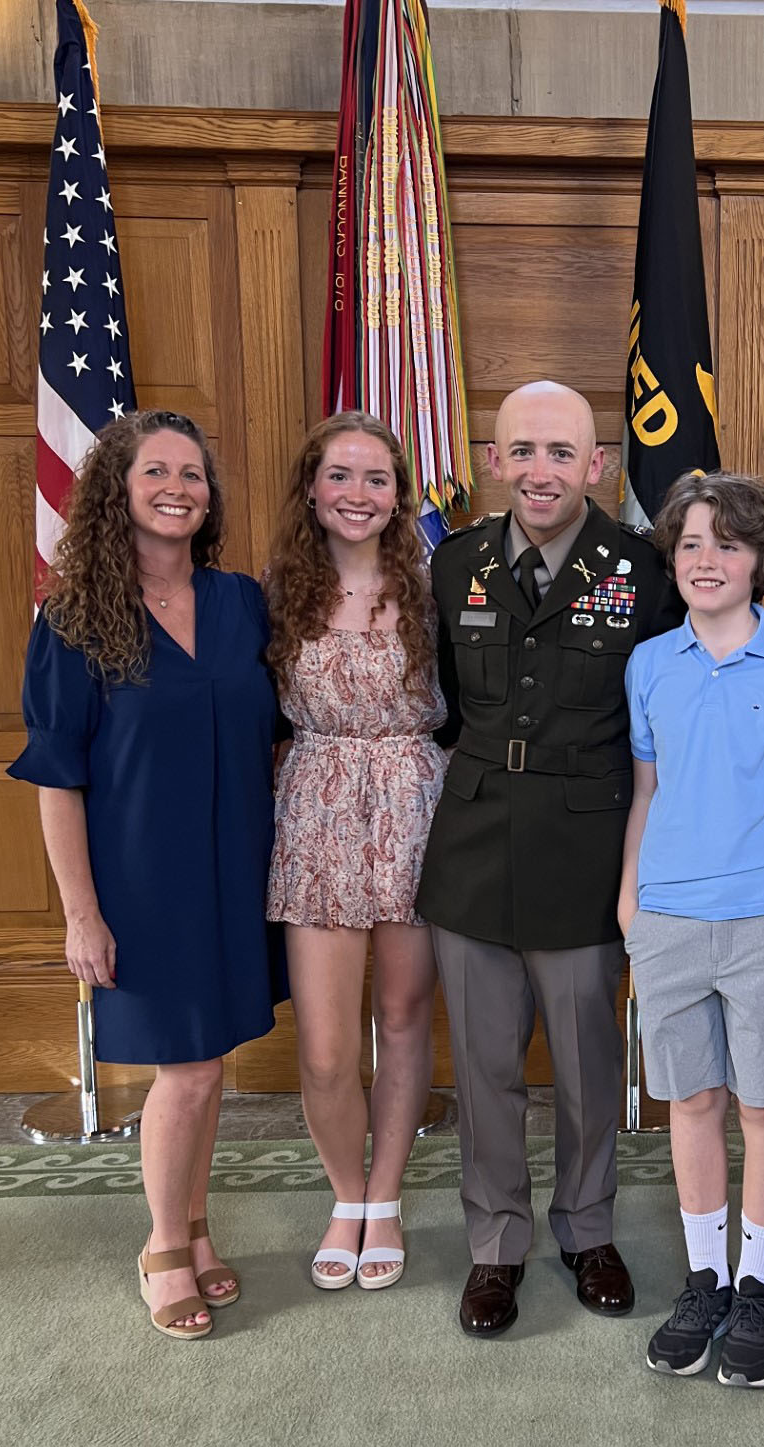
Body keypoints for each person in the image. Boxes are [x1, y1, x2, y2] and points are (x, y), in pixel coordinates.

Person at [416, 381, 682, 1337]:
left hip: (586, 846)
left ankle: (587, 1227)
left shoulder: (646, 571)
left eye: (560, 452)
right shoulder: (454, 565)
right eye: (521, 450)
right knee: (485, 1067)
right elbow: (447, 701)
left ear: (596, 465)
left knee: (585, 1063)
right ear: (493, 459)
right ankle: (496, 1245)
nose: (540, 470)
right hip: (477, 844)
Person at [10, 410, 284, 1340]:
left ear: (210, 498)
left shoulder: (243, 602)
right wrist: (80, 915)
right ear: (117, 492)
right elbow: (57, 777)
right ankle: (163, 1245)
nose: (178, 487)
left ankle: (197, 1227)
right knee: (192, 1070)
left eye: (194, 475)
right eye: (156, 471)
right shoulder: (77, 619)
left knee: (208, 1065)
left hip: (237, 867)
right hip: (141, 880)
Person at [619, 472, 764, 1388]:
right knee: (695, 1102)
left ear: (763, 562)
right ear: (673, 555)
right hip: (668, 917)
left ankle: (759, 1284)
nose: (708, 560)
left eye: (730, 544)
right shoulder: (649, 665)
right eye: (693, 543)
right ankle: (705, 1276)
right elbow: (646, 791)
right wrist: (632, 899)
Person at [265, 413, 448, 1292]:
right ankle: (345, 1193)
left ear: (398, 495)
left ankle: (386, 1198)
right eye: (341, 475)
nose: (358, 494)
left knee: (406, 1020)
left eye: (377, 479)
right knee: (330, 1049)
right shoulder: (275, 594)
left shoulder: (432, 585)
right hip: (317, 814)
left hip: (415, 806)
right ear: (312, 486)